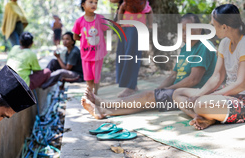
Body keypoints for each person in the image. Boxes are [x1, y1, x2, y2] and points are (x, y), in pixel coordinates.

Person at [81, 14, 217, 119]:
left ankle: (103, 103)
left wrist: (167, 89)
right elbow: (173, 75)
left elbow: (194, 80)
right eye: (183, 30)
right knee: (148, 100)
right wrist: (159, 89)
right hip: (177, 91)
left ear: (199, 28)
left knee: (148, 97)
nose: (186, 34)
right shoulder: (186, 47)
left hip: (190, 94)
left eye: (189, 29)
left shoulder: (204, 46)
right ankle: (103, 110)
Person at [173, 4, 245, 130]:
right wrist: (198, 95)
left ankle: (207, 116)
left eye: (213, 25)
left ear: (224, 27)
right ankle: (204, 118)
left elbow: (241, 84)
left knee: (200, 103)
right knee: (178, 93)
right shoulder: (224, 43)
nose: (212, 28)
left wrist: (211, 96)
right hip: (227, 96)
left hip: (241, 99)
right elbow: (217, 77)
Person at [105, 0, 153, 98]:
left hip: (137, 24)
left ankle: (130, 87)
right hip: (125, 24)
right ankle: (130, 85)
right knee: (124, 54)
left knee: (132, 55)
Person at [72, 0, 108, 95]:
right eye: (91, 2)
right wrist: (85, 39)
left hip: (98, 54)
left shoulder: (100, 18)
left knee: (97, 76)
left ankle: (95, 93)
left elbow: (106, 31)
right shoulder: (79, 21)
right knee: (88, 77)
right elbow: (75, 36)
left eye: (96, 2)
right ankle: (90, 94)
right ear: (83, 4)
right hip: (86, 55)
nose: (94, 4)